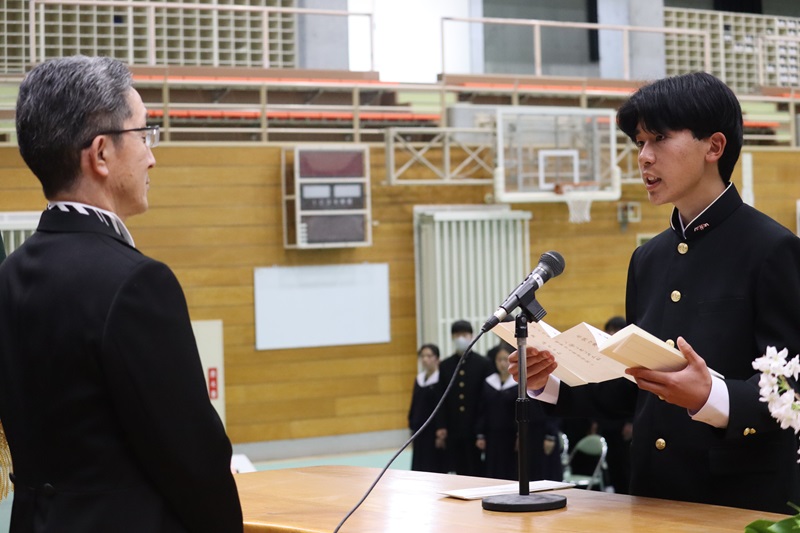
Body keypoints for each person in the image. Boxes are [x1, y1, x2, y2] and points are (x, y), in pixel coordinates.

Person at [509, 71, 800, 514]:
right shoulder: (648, 258)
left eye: (659, 138)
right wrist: (547, 380)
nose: (644, 157)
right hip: (648, 494)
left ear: (714, 147)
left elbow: (791, 389)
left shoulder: (772, 248)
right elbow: (635, 384)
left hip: (737, 503)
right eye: (639, 142)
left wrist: (711, 396)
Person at [0, 56, 243, 532]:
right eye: (143, 133)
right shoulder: (136, 283)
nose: (152, 156)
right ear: (100, 154)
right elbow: (194, 461)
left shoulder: (8, 275)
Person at [476, 342, 562, 481]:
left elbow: (551, 408)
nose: (502, 364)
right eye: (499, 359)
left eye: (505, 359)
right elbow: (483, 409)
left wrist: (549, 434)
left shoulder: (526, 382)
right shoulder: (490, 382)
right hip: (498, 435)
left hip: (534, 431)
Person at [436, 319, 494, 476]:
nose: (461, 338)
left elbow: (486, 400)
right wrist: (441, 425)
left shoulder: (483, 364)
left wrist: (482, 428)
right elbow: (441, 398)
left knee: (476, 466)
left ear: (472, 336)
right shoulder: (445, 365)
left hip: (475, 426)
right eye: (457, 335)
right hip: (454, 426)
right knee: (457, 467)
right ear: (452, 337)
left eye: (464, 334)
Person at [408, 343, 448, 473]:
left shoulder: (441, 379)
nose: (425, 359)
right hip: (419, 429)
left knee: (433, 465)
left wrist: (441, 429)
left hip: (434, 431)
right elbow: (414, 403)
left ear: (437, 358)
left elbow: (443, 406)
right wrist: (411, 423)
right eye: (423, 356)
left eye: (429, 356)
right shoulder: (419, 379)